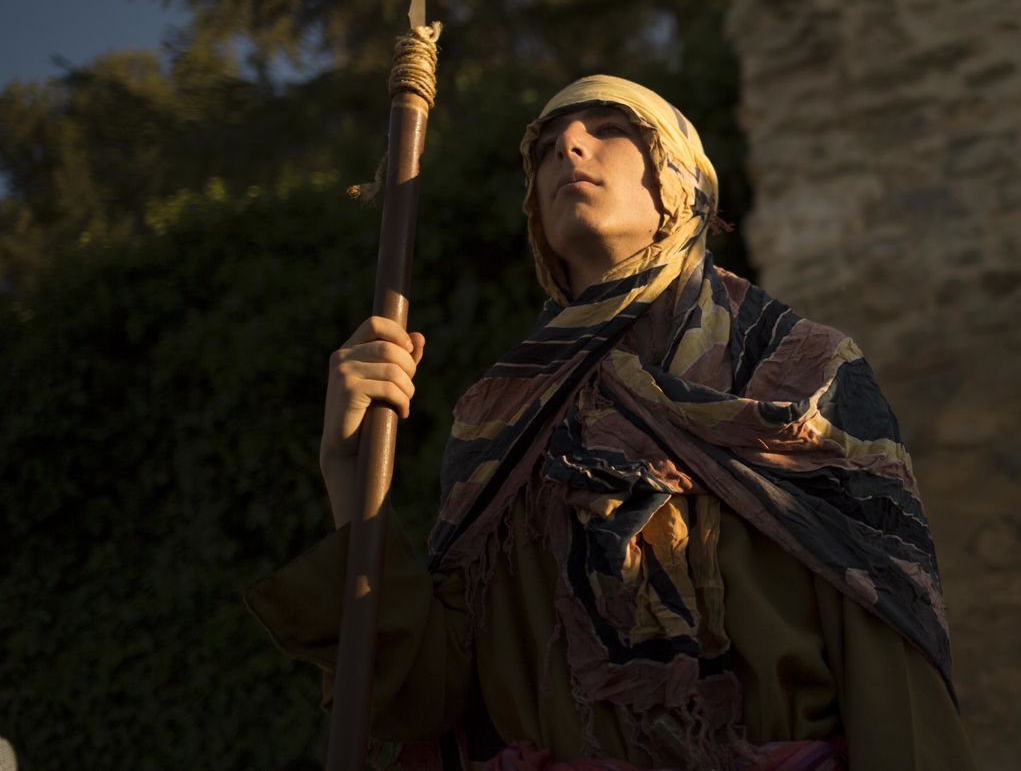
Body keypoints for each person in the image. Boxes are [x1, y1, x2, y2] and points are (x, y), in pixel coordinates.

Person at [246, 75, 976, 770]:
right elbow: (431, 693)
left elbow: (892, 670)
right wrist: (348, 471)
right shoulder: (498, 416)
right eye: (545, 146)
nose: (568, 145)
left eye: (610, 127)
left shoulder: (799, 372)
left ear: (682, 180)